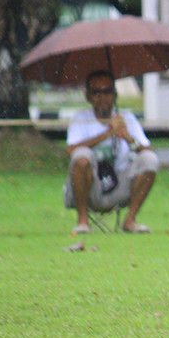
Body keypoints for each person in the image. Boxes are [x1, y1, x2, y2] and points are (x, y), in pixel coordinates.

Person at [64, 70, 158, 234]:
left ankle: (130, 221)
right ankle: (82, 221)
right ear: (88, 96)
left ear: (115, 95)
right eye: (97, 93)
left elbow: (147, 150)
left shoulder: (126, 118)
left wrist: (129, 138)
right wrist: (107, 134)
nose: (102, 98)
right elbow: (71, 151)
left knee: (149, 159)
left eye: (107, 92)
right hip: (91, 187)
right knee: (81, 157)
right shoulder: (81, 118)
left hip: (119, 185)